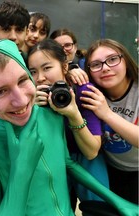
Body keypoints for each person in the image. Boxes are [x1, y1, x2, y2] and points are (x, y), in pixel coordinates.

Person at [0, 38, 138, 216]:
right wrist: (21, 171)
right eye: (0, 91)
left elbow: (67, 163)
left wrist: (116, 201)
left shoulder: (49, 116)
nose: (21, 100)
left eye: (23, 80)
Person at [27, 38, 109, 211]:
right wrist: (31, 110)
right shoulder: (30, 98)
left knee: (98, 206)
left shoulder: (83, 91)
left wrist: (73, 113)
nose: (40, 78)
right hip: (52, 162)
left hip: (85, 160)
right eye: (33, 71)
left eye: (47, 68)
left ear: (65, 67)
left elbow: (92, 151)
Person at [82, 38, 138, 205]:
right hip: (111, 170)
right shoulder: (90, 93)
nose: (105, 68)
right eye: (96, 64)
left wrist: (107, 114)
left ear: (126, 61)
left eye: (112, 59)